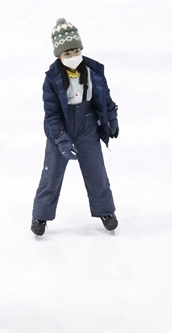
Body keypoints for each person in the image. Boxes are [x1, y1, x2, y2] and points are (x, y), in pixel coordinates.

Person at [31, 18, 119, 236]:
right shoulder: (52, 78)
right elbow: (51, 114)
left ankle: (106, 211)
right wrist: (61, 138)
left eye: (76, 51)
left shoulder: (93, 71)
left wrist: (112, 118)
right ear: (59, 55)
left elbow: (104, 98)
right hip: (61, 130)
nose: (73, 57)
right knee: (51, 175)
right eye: (67, 54)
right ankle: (40, 216)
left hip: (87, 128)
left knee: (96, 172)